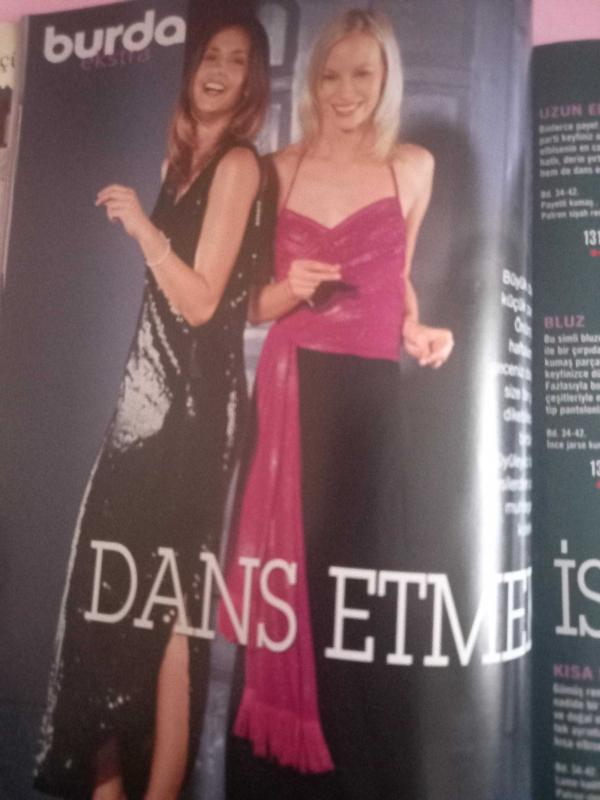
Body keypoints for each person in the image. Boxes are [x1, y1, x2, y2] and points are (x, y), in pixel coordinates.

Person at [33, 14, 271, 800]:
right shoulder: (183, 163)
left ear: (250, 82)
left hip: (194, 416)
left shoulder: (237, 164)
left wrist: (142, 228)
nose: (217, 70)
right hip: (144, 402)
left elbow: (201, 304)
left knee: (167, 608)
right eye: (209, 56)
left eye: (235, 61)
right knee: (109, 592)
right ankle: (106, 785)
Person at [221, 9, 454, 800]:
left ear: (386, 79)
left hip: (371, 402)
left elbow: (397, 276)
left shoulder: (413, 167)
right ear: (312, 81)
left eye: (363, 74)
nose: (345, 91)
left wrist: (416, 327)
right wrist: (291, 289)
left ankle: (359, 773)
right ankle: (277, 776)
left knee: (364, 589)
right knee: (292, 586)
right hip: (294, 394)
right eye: (331, 74)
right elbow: (243, 306)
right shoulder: (275, 170)